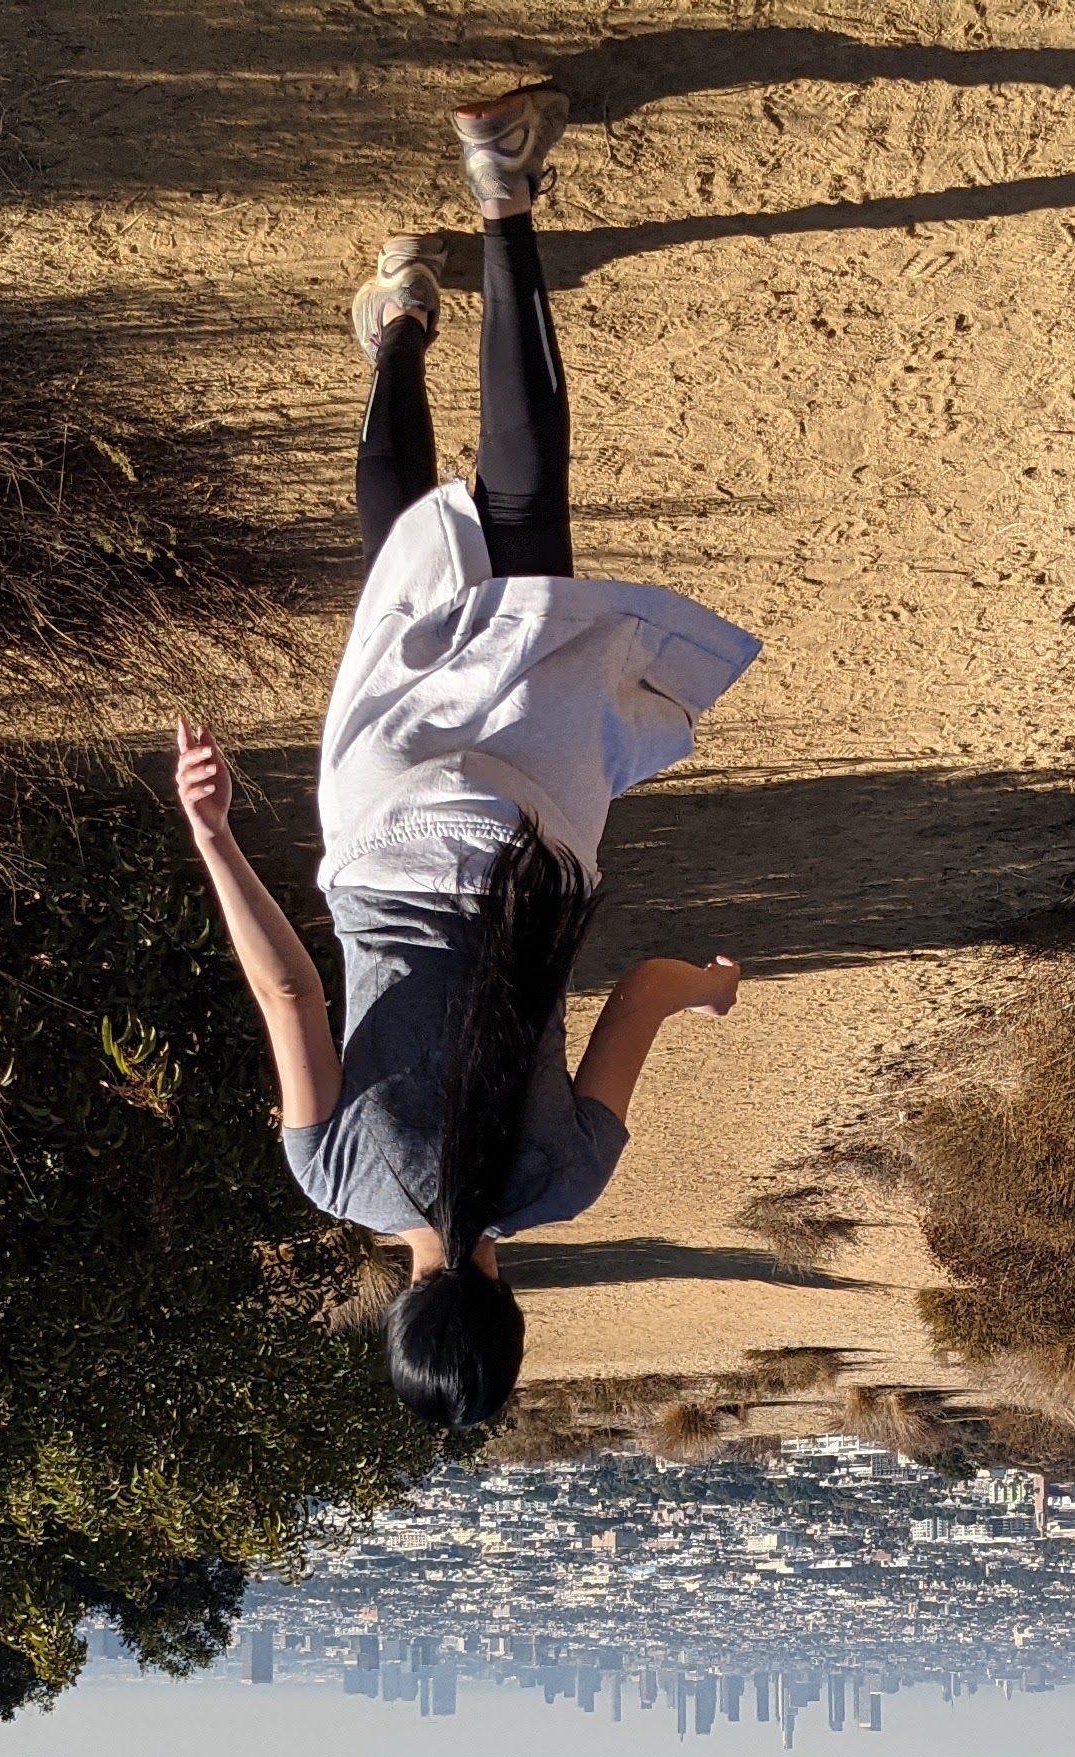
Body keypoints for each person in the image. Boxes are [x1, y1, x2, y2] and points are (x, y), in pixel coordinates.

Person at [173, 84, 762, 1433]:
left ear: (511, 1315)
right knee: (403, 587)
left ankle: (504, 201)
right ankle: (397, 327)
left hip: (521, 836)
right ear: (400, 1310)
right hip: (379, 830)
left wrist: (716, 988)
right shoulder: (338, 1180)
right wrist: (213, 837)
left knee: (522, 520)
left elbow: (643, 1000)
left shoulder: (563, 1181)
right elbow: (285, 995)